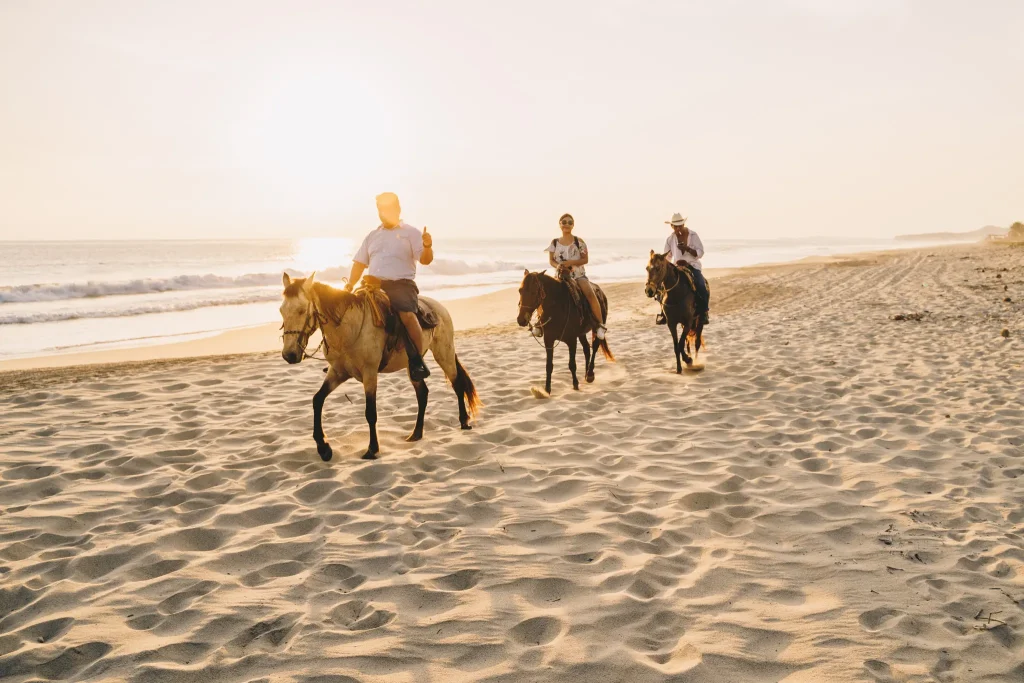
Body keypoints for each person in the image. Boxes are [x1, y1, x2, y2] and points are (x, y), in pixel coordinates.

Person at [346, 192, 433, 381]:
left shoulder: (412, 232)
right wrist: (350, 285)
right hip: (372, 286)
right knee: (348, 313)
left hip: (401, 285)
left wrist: (427, 246)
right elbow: (359, 263)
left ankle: (417, 361)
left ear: (398, 209)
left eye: (388, 208)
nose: (384, 213)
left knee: (407, 315)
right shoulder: (372, 236)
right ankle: (343, 360)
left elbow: (425, 260)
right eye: (381, 209)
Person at [545, 213, 607, 340]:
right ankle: (540, 324)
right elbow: (551, 260)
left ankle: (600, 325)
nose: (566, 224)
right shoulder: (554, 243)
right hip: (560, 276)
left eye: (569, 222)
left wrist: (570, 263)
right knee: (546, 295)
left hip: (578, 276)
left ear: (573, 225)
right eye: (564, 222)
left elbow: (585, 259)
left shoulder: (579, 242)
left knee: (590, 294)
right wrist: (558, 266)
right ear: (560, 224)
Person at [657, 213, 709, 325]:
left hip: (693, 266)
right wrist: (668, 265)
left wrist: (687, 249)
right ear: (672, 227)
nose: (678, 229)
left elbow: (701, 252)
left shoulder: (693, 235)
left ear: (683, 224)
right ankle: (663, 313)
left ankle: (704, 313)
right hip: (677, 267)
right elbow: (668, 257)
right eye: (675, 227)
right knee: (662, 287)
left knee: (701, 285)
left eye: (680, 226)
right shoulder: (670, 239)